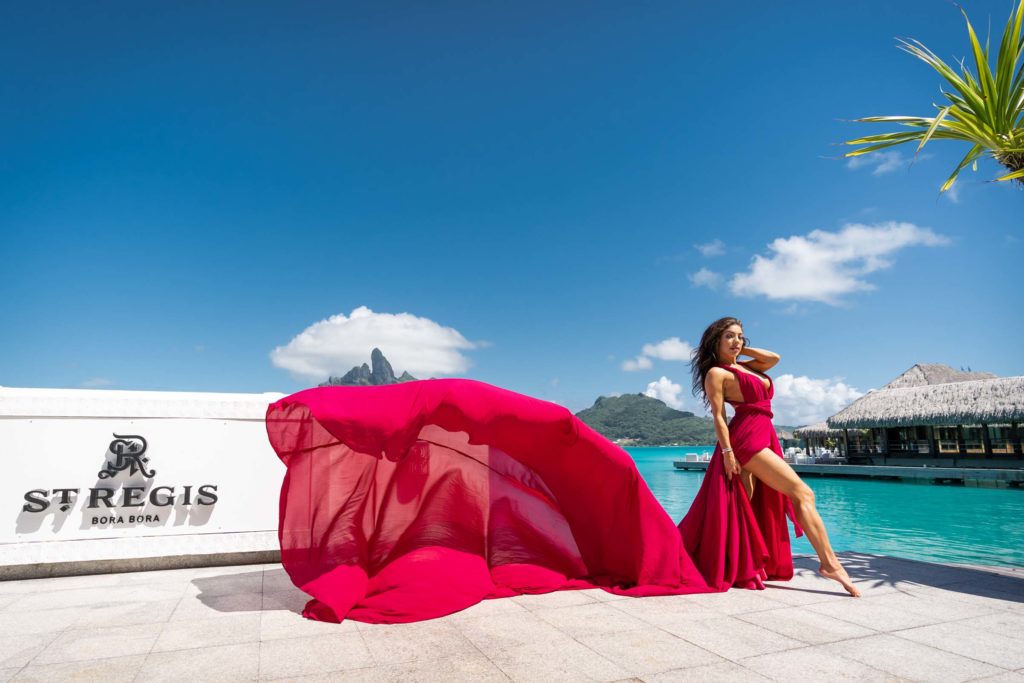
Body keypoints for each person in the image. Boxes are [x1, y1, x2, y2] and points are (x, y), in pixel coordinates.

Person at [679, 316, 860, 597]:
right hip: (746, 440)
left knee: (746, 504)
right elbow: (718, 415)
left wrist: (740, 349)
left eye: (740, 336)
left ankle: (740, 562)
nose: (736, 341)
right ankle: (830, 564)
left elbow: (774, 358)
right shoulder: (718, 373)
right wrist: (727, 452)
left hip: (766, 436)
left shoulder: (748, 367)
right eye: (728, 336)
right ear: (715, 341)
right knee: (802, 493)